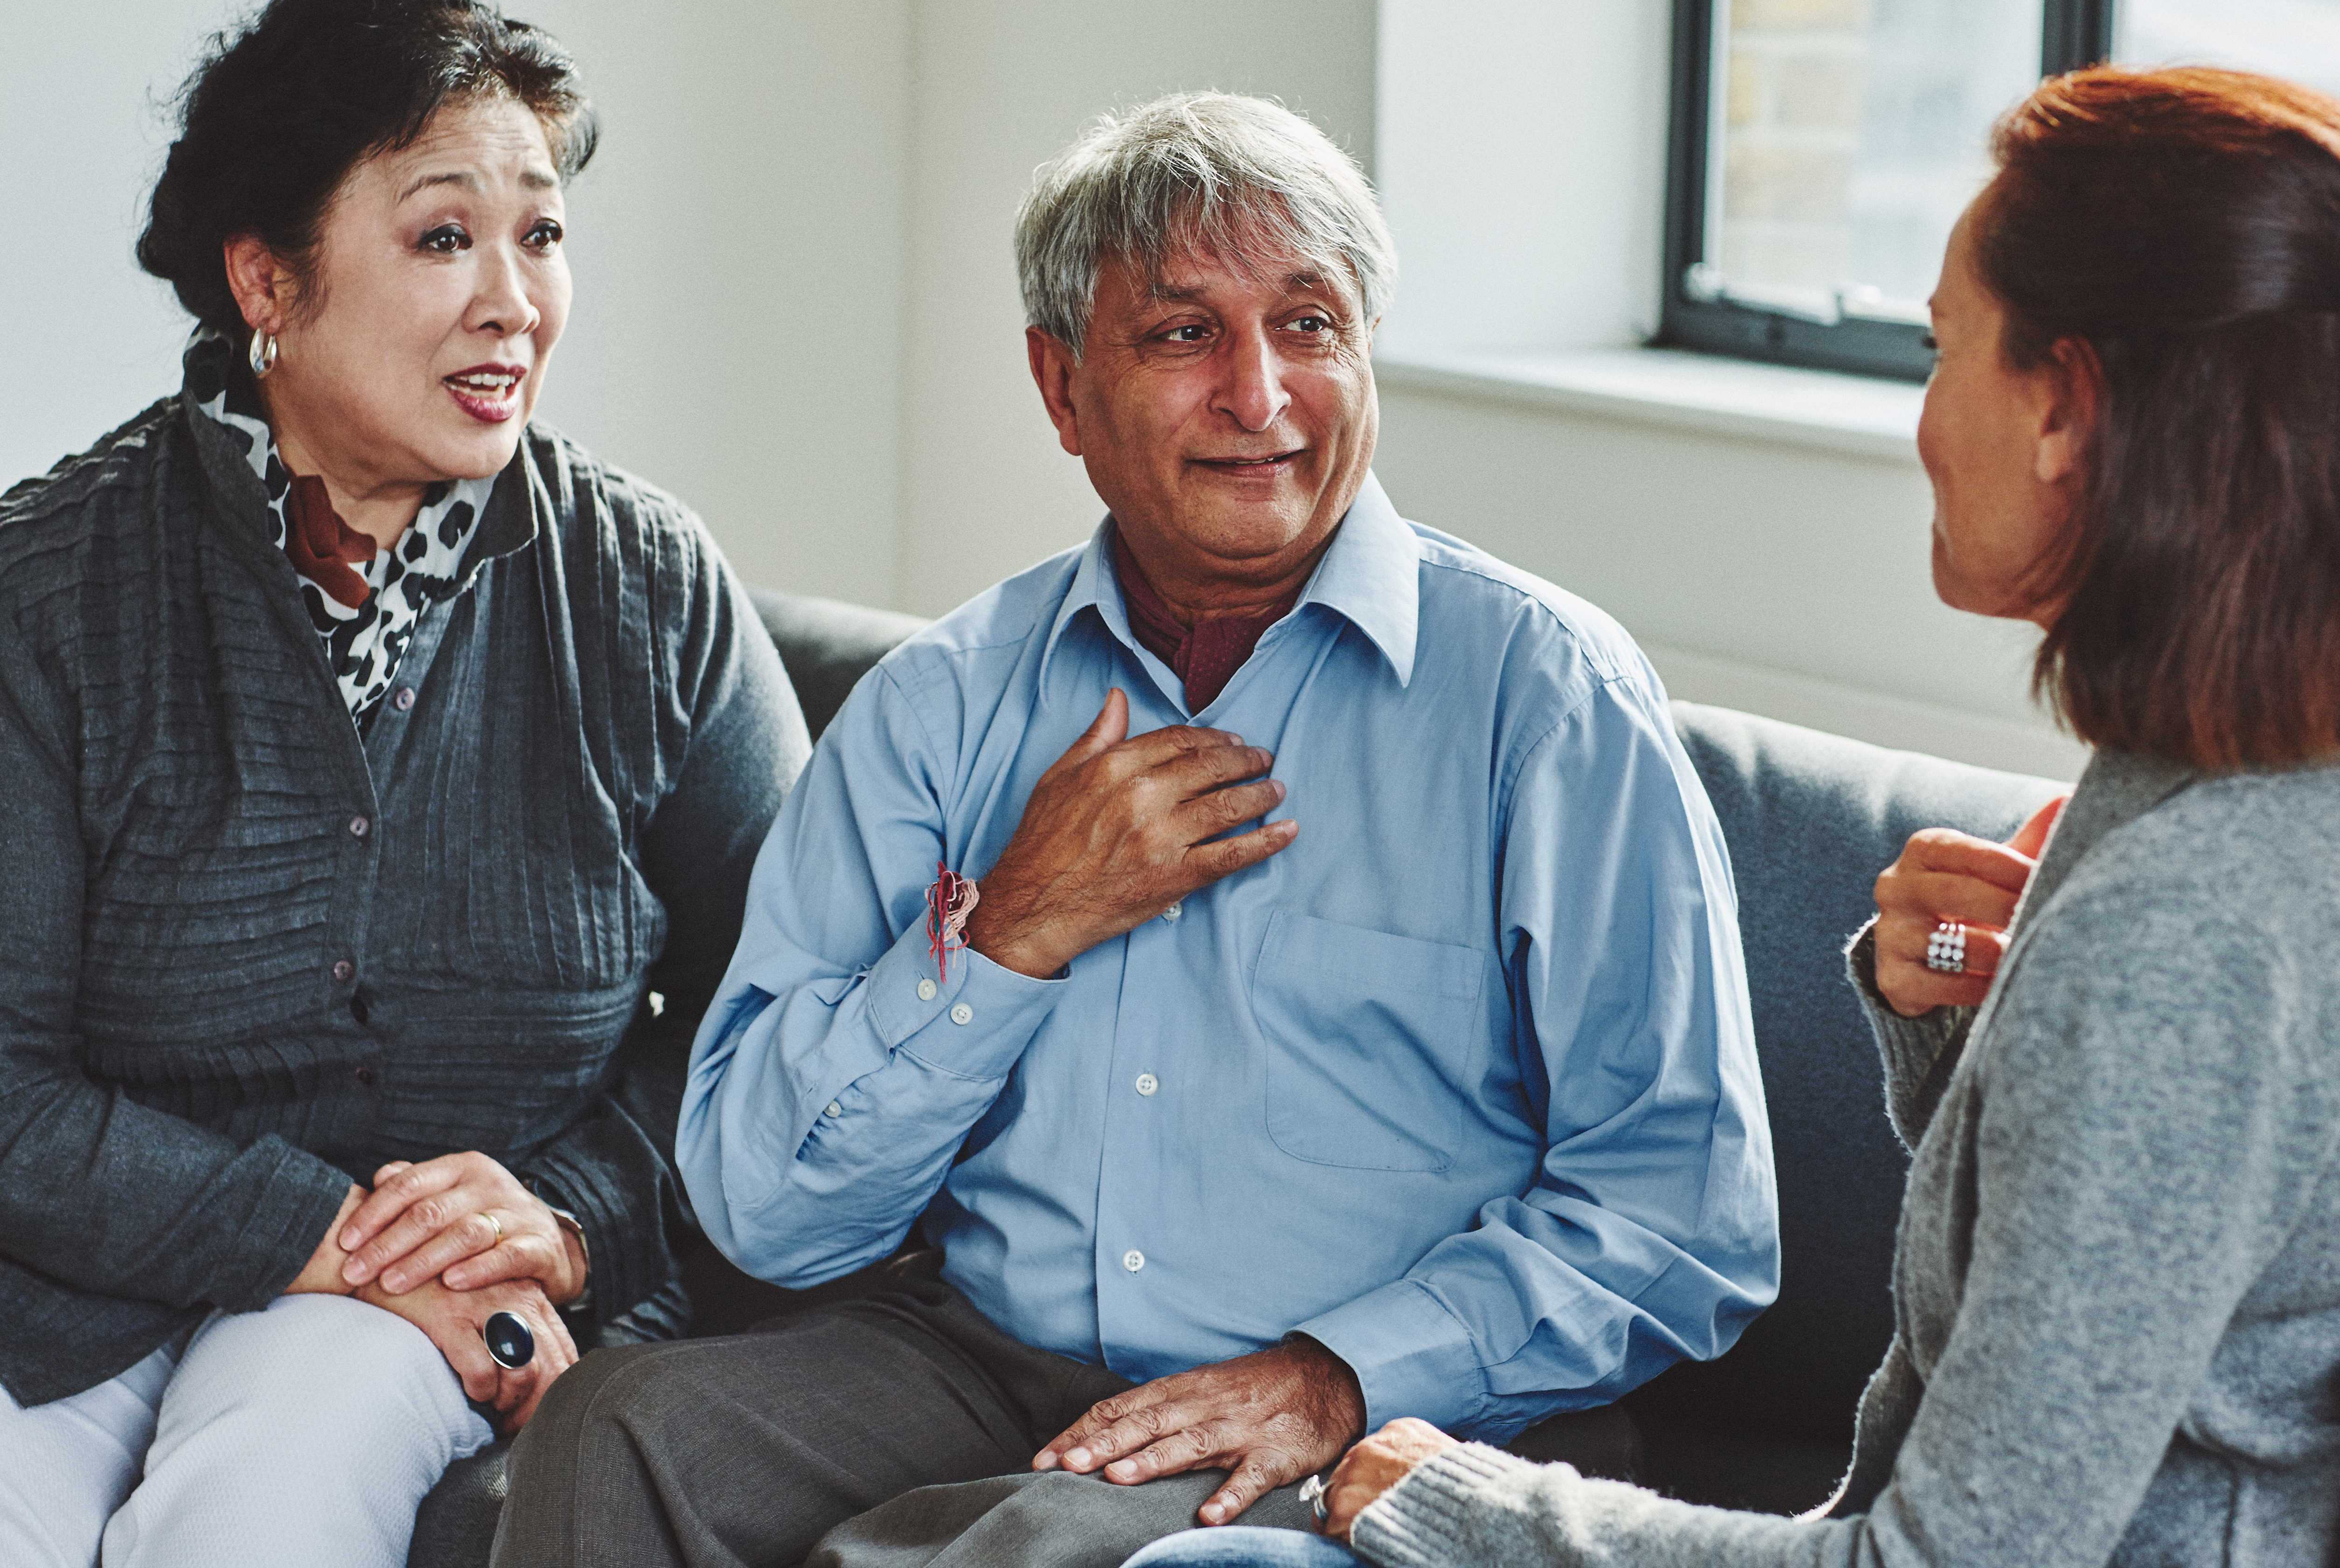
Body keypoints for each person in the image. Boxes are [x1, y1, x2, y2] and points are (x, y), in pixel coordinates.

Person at [1130, 65, 2340, 1568]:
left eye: (1945, 351)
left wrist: (1458, 1500)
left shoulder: (2192, 918)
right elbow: (2141, 1286)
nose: (1925, 422)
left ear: (2066, 406)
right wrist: (1951, 1025)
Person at [489, 91, 1779, 1568]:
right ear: (1060, 386)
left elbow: (1686, 1216)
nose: (1261, 394)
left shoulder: (1543, 698)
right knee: (619, 1435)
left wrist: (1341, 1373)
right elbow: (768, 1212)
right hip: (980, 1357)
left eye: (1310, 325)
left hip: (1382, 1412)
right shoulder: (945, 704)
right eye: (1183, 336)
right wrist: (1009, 939)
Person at [0, 0, 810, 1568]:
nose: (516, 299)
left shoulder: (643, 587)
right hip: (72, 1285)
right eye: (446, 237)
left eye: (544, 232)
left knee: (269, 1501)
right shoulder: (48, 594)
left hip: (427, 1319)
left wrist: (566, 1220)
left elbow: (782, 1009)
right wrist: (324, 1232)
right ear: (267, 282)